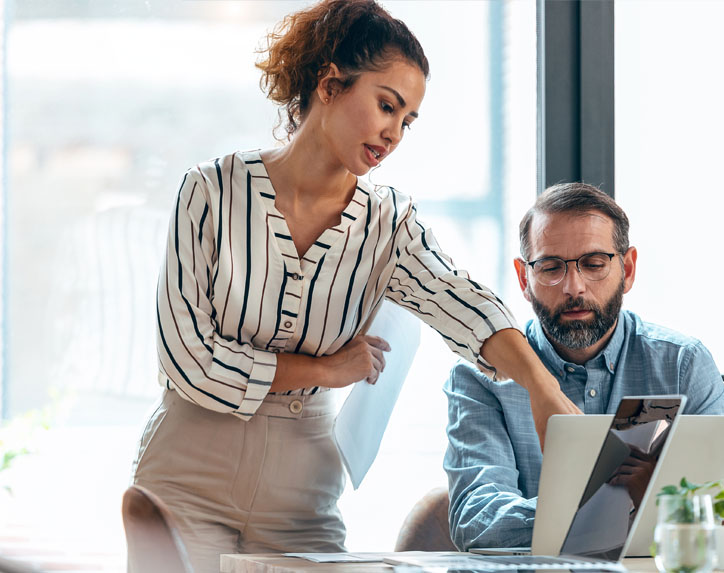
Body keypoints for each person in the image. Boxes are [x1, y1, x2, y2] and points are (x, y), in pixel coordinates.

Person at [130, 1, 577, 570]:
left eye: (407, 121)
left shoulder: (388, 224)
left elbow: (464, 305)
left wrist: (541, 388)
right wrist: (324, 370)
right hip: (184, 473)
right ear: (330, 83)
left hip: (301, 487)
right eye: (386, 106)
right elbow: (190, 361)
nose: (393, 133)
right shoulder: (211, 191)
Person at [443, 182, 724, 551]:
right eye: (550, 267)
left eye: (593, 264)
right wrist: (631, 507)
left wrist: (637, 504)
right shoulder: (481, 378)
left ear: (628, 268)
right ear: (525, 279)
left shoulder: (682, 364)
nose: (574, 287)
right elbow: (477, 522)